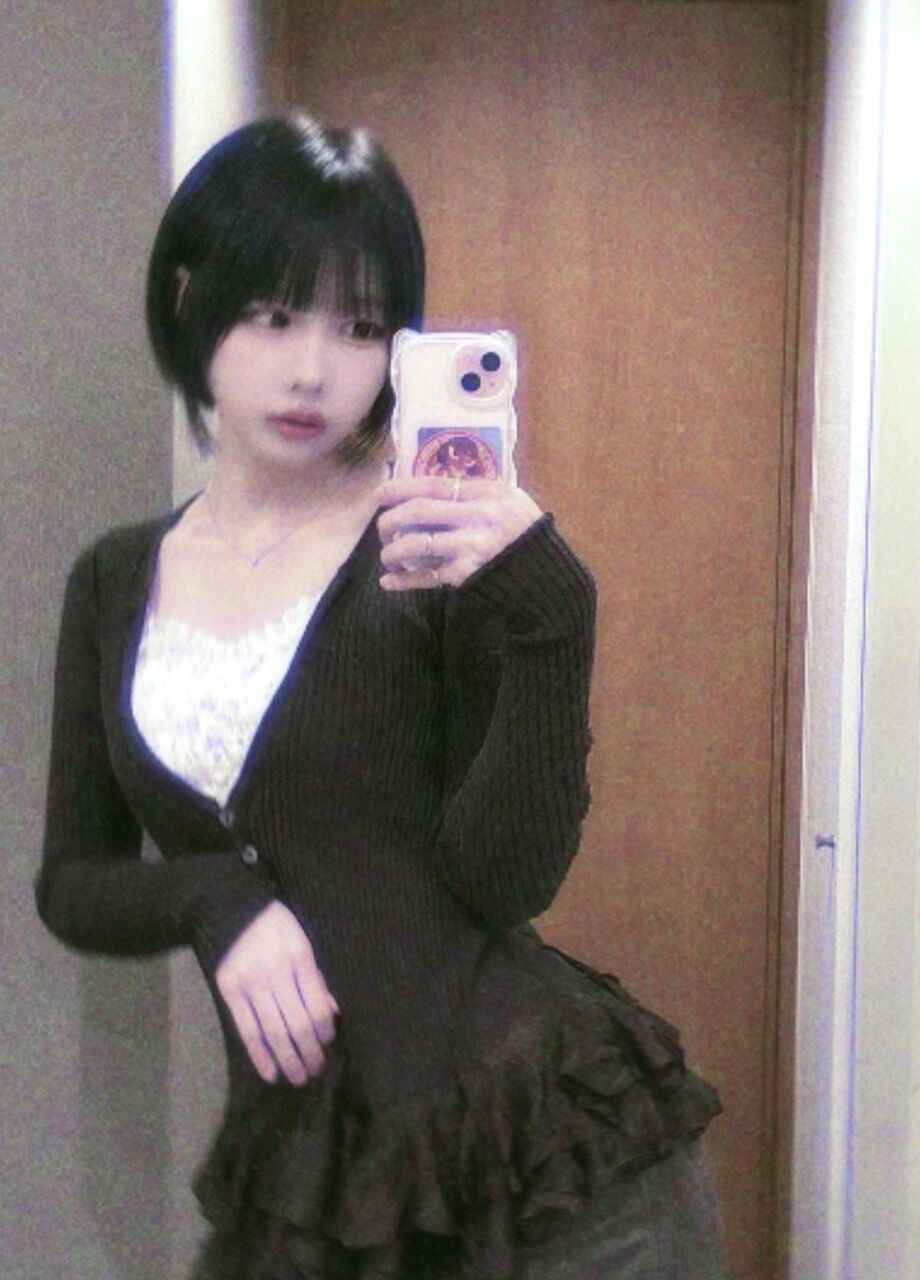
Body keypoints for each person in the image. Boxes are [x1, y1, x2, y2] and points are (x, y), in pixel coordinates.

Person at [36, 113, 725, 1280]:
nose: (313, 368)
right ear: (192, 300)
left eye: (359, 327)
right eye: (273, 314)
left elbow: (501, 880)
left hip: (549, 1176)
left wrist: (552, 615)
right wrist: (215, 895)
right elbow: (73, 881)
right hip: (313, 1184)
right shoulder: (113, 578)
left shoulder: (424, 544)